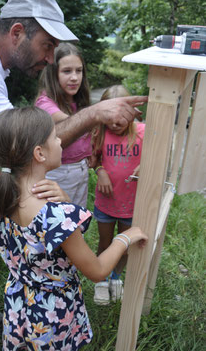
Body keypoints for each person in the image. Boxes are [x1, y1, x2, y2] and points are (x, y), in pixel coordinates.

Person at [0, 0, 147, 350]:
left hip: (22, 305)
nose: (51, 59)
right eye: (48, 46)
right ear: (17, 32)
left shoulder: (11, 197)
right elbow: (15, 139)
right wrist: (95, 113)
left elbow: (8, 143)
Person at [0, 105, 148, 351]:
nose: (60, 141)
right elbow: (98, 271)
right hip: (53, 317)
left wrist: (65, 202)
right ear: (39, 153)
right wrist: (125, 237)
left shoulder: (1, 197)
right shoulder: (56, 216)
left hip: (19, 305)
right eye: (55, 137)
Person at [91, 85, 145, 305]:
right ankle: (101, 280)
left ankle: (116, 277)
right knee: (105, 242)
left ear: (132, 112)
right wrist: (100, 171)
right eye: (109, 119)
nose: (114, 124)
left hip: (131, 205)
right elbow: (93, 160)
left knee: (124, 245)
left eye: (120, 118)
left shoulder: (143, 132)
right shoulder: (100, 133)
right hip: (106, 204)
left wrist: (145, 166)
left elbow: (159, 156)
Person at [35, 42, 91, 206]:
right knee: (59, 221)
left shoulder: (78, 101)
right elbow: (70, 121)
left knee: (77, 219)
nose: (74, 77)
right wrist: (100, 114)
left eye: (79, 71)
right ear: (53, 74)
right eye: (67, 71)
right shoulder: (45, 103)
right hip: (57, 173)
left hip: (81, 169)